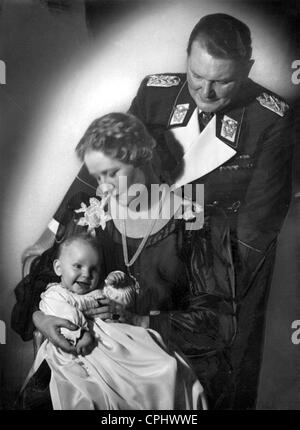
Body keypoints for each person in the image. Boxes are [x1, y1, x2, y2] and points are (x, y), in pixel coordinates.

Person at [23, 13, 293, 409]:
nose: (206, 90)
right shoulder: (156, 92)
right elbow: (100, 163)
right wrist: (52, 230)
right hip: (139, 250)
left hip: (218, 266)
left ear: (247, 70)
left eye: (223, 81)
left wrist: (204, 295)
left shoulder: (271, 119)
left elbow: (257, 226)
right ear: (186, 57)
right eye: (197, 75)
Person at [16, 112, 236, 410]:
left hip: (157, 360)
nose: (104, 187)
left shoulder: (194, 220)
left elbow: (219, 322)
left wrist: (139, 320)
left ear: (142, 159)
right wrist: (44, 319)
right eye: (97, 176)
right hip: (89, 357)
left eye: (112, 173)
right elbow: (43, 281)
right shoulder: (89, 211)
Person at [25, 233, 204, 410]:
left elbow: (122, 302)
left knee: (162, 361)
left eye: (93, 269)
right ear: (58, 268)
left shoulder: (98, 290)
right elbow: (67, 317)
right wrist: (79, 334)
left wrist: (119, 284)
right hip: (83, 344)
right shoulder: (56, 294)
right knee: (107, 387)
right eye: (77, 266)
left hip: (114, 338)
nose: (86, 274)